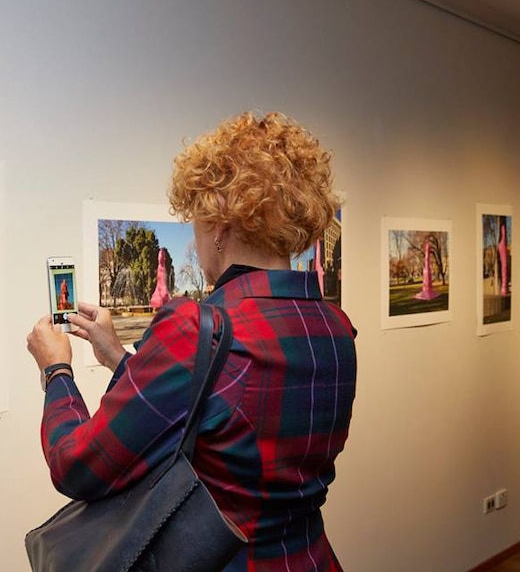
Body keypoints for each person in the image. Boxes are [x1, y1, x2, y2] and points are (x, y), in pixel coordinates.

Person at [27, 111, 357, 570]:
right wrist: (118, 357)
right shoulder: (335, 327)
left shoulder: (200, 326)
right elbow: (216, 409)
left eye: (196, 223)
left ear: (219, 226)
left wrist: (56, 370)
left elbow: (76, 465)